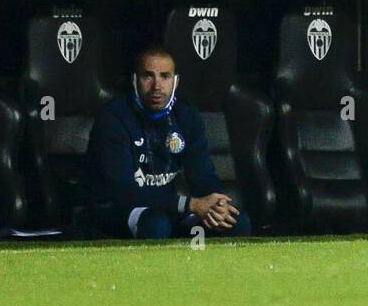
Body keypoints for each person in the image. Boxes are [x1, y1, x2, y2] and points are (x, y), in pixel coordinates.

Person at [86, 44, 251, 239]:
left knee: (236, 222)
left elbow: (203, 175)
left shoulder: (186, 115)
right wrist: (190, 204)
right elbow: (124, 191)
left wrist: (216, 204)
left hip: (167, 207)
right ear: (134, 79)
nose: (157, 86)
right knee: (156, 224)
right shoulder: (113, 118)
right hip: (117, 208)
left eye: (165, 76)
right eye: (148, 76)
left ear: (176, 81)